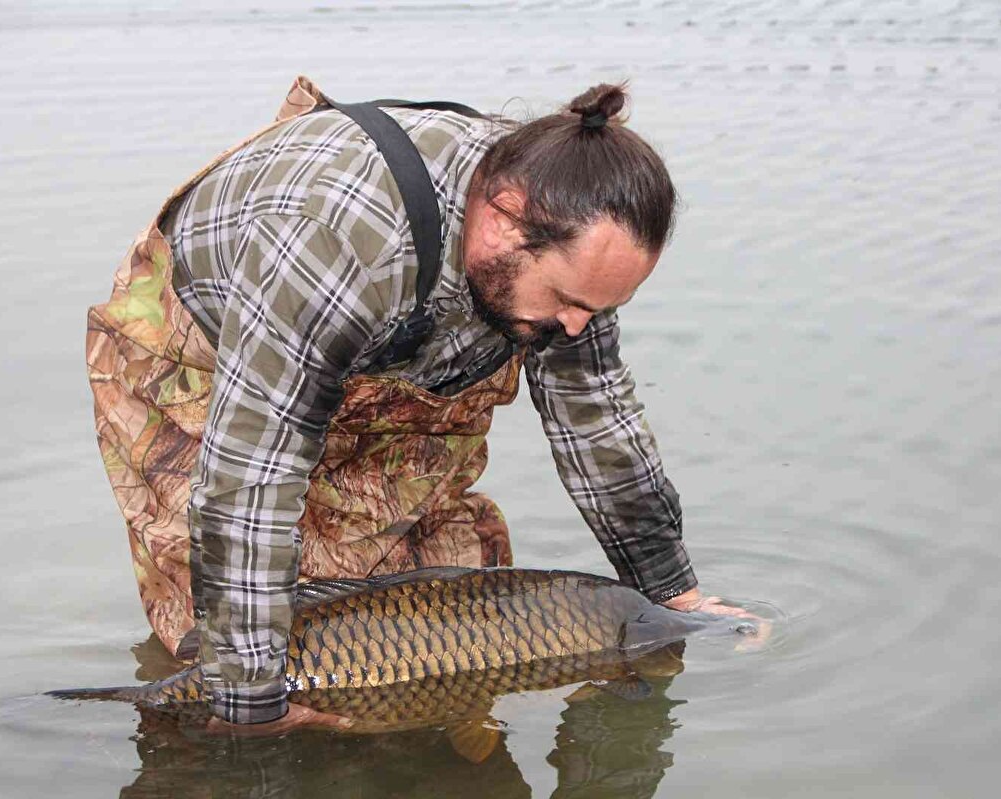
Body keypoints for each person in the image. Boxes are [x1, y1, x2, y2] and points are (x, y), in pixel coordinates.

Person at [85, 76, 744, 733]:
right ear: (503, 217)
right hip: (209, 359)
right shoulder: (335, 238)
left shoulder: (567, 231)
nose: (578, 326)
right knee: (249, 663)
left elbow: (595, 414)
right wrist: (251, 703)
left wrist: (673, 596)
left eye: (597, 309)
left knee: (440, 646)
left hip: (393, 346)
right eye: (568, 301)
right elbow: (250, 478)